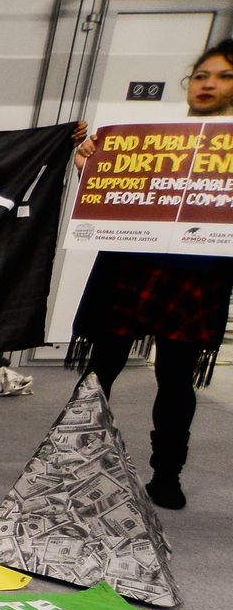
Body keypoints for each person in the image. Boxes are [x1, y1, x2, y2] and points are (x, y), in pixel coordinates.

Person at [68, 40, 233, 510]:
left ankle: (167, 475)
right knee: (102, 367)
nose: (208, 84)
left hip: (198, 272)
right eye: (202, 75)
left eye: (222, 76)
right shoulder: (152, 135)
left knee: (176, 377)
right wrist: (91, 165)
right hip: (134, 263)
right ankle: (69, 458)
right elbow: (116, 196)